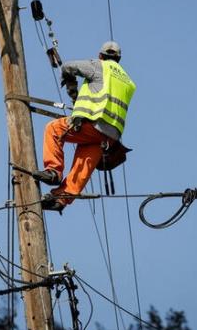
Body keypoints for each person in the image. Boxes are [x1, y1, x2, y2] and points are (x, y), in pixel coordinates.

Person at [34, 41, 136, 211]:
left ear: (101, 56)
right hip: (110, 137)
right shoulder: (128, 81)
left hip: (94, 124)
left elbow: (68, 67)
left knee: (53, 129)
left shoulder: (100, 66)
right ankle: (61, 199)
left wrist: (73, 92)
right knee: (83, 164)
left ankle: (53, 172)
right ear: (119, 59)